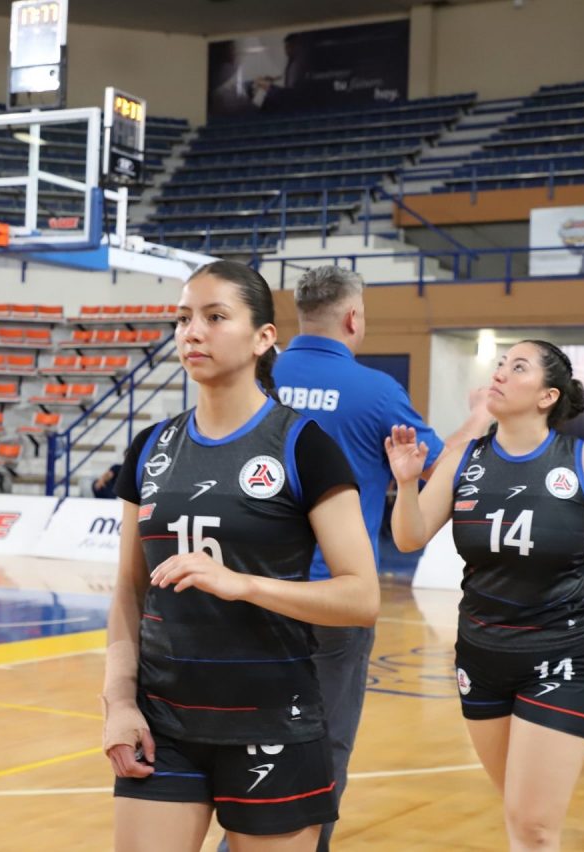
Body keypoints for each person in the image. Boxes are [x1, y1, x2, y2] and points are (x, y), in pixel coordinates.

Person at [102, 260, 380, 852]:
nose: (192, 332)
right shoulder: (150, 448)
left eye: (214, 317)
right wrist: (118, 702)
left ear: (262, 338)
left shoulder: (304, 445)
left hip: (275, 722)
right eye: (183, 319)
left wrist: (244, 584)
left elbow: (361, 597)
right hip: (164, 725)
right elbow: (129, 589)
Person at [388, 339, 584, 852]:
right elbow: (409, 538)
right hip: (481, 657)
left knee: (536, 826)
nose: (500, 373)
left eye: (517, 367)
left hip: (562, 656)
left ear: (547, 396)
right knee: (519, 817)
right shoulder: (463, 460)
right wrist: (407, 483)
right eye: (501, 364)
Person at [244, 265, 486, 852]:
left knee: (249, 735)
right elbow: (438, 470)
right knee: (325, 740)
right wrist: (481, 416)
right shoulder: (376, 392)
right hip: (335, 596)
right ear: (353, 318)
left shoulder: (257, 373)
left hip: (251, 590)